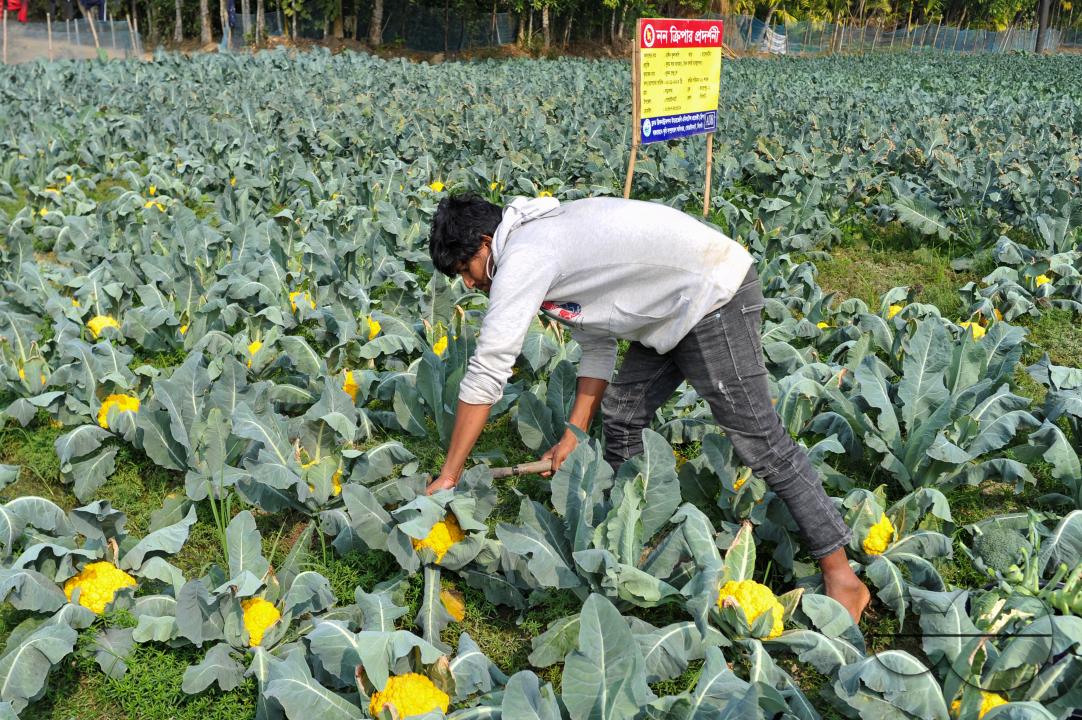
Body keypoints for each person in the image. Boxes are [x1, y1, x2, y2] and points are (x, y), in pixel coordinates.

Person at [424, 193, 871, 624]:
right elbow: (595, 342)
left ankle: (842, 576)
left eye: (466, 268)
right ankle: (634, 542)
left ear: (485, 242)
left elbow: (488, 370)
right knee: (621, 417)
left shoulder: (524, 255)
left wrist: (450, 474)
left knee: (762, 444)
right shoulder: (536, 242)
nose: (468, 282)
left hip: (711, 297)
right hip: (670, 307)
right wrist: (572, 437)